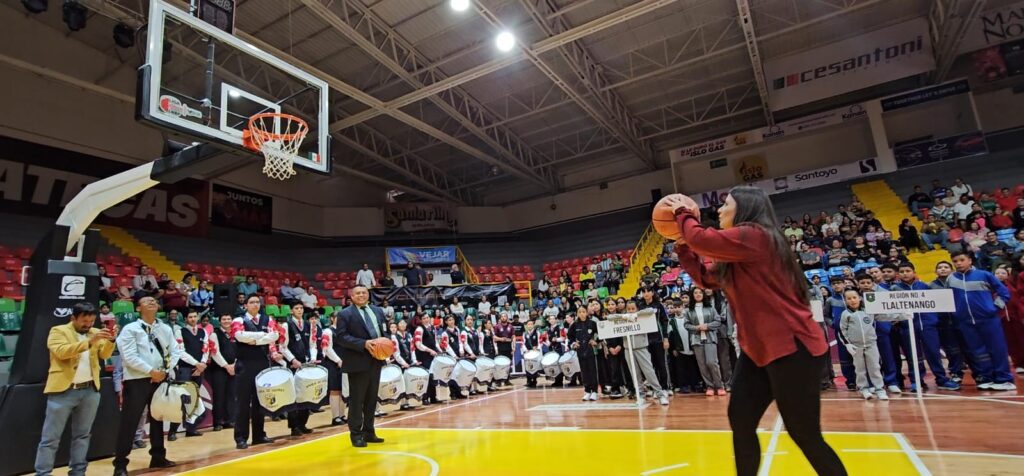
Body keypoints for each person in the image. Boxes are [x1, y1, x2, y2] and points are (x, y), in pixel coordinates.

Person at [666, 187, 846, 476]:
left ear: (745, 208)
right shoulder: (738, 252)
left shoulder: (756, 236)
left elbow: (702, 238)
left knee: (805, 434)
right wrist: (683, 249)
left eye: (726, 204)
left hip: (792, 348)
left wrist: (682, 213)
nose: (719, 210)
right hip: (758, 351)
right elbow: (706, 279)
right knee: (741, 419)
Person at [35, 303, 115, 476]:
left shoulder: (95, 332)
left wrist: (111, 341)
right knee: (50, 438)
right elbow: (62, 352)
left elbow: (105, 355)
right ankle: (43, 473)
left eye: (91, 321)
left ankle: (78, 472)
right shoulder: (58, 331)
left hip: (90, 390)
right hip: (62, 391)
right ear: (73, 318)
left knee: (83, 435)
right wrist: (89, 342)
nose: (88, 325)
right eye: (84, 321)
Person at [113, 296, 181, 475]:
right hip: (137, 380)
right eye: (146, 301)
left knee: (158, 418)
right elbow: (129, 356)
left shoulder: (165, 328)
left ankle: (158, 456)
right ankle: (120, 464)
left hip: (160, 378)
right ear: (138, 308)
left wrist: (165, 370)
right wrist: (151, 371)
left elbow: (175, 351)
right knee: (130, 421)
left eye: (154, 301)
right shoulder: (130, 329)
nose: (152, 302)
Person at [948, 251, 1016, 390]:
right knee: (976, 351)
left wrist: (994, 307)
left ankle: (1004, 379)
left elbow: (1004, 292)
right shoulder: (951, 279)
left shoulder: (984, 275)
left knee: (997, 348)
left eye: (961, 260)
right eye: (955, 261)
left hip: (988, 319)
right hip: (965, 322)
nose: (958, 263)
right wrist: (956, 313)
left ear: (970, 260)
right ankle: (985, 378)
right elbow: (948, 298)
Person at [335, 285, 389, 447]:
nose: (361, 295)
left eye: (364, 292)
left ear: (368, 295)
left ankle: (369, 431)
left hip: (376, 360)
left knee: (372, 399)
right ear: (352, 296)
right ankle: (356, 434)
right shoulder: (345, 314)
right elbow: (342, 337)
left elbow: (384, 331)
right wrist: (363, 343)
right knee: (357, 400)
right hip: (357, 361)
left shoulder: (378, 311)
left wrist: (386, 345)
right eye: (358, 293)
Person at [232, 295, 285, 449]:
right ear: (245, 305)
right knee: (243, 402)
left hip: (262, 364)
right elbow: (239, 336)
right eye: (251, 302)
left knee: (260, 401)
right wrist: (262, 336)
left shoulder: (267, 319)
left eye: (257, 302)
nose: (255, 305)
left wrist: (254, 340)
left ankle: (259, 435)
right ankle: (241, 437)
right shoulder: (239, 320)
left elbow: (275, 335)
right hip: (244, 364)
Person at [837, 289, 888, 400]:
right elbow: (842, 330)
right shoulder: (845, 314)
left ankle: (879, 389)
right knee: (860, 370)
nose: (852, 300)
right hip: (856, 347)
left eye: (854, 297)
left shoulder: (868, 311)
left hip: (871, 344)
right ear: (845, 301)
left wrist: (903, 315)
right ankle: (863, 389)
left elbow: (884, 316)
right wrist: (848, 344)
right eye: (849, 298)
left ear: (860, 298)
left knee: (875, 368)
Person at [278, 303, 321, 436]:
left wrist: (313, 358)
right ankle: (294, 426)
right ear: (291, 310)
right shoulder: (287, 325)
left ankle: (302, 423)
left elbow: (313, 344)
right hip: (293, 364)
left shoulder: (310, 325)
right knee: (294, 396)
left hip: (306, 364)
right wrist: (292, 360)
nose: (299, 310)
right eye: (296, 308)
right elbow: (282, 347)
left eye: (301, 308)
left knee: (306, 393)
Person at [168, 310, 209, 439]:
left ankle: (191, 429)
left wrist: (202, 364)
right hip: (185, 369)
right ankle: (172, 431)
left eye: (195, 316)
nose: (193, 319)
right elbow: (180, 352)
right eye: (190, 317)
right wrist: (196, 363)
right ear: (185, 319)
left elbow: (206, 349)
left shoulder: (203, 331)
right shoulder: (180, 331)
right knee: (181, 400)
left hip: (199, 370)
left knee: (194, 399)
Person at [683, 288, 725, 396]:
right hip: (696, 340)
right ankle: (709, 386)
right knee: (702, 365)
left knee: (712, 362)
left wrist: (707, 326)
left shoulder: (710, 308)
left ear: (703, 294)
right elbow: (686, 325)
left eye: (700, 292)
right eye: (695, 293)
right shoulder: (688, 310)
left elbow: (718, 321)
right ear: (692, 295)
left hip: (710, 338)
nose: (698, 294)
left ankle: (719, 386)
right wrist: (696, 328)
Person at [208, 314, 238, 431]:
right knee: (219, 396)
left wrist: (234, 365)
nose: (226, 321)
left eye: (228, 319)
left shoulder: (236, 334)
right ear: (219, 321)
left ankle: (229, 420)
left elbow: (240, 351)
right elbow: (215, 353)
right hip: (219, 369)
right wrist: (226, 366)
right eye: (224, 319)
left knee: (231, 395)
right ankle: (218, 422)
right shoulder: (214, 334)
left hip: (233, 368)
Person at [567, 306, 600, 401]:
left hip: (591, 350)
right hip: (580, 351)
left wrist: (596, 341)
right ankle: (587, 391)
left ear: (587, 312)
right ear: (577, 313)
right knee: (584, 371)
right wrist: (574, 343)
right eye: (580, 312)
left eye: (583, 311)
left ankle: (594, 391)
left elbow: (600, 333)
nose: (582, 314)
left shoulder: (592, 323)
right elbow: (570, 337)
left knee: (592, 371)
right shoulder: (574, 325)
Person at [321, 311, 347, 425]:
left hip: (344, 363)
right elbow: (327, 349)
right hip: (332, 363)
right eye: (338, 317)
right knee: (335, 390)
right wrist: (338, 360)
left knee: (343, 390)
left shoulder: (344, 331)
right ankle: (335, 417)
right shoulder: (327, 331)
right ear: (332, 319)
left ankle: (342, 414)